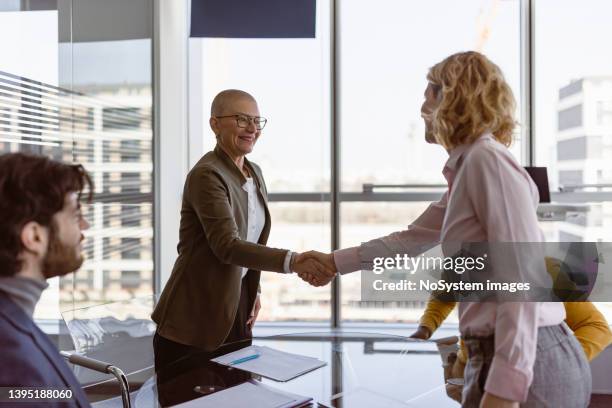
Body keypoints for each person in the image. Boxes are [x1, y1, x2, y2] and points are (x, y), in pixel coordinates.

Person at [301, 52, 592, 407]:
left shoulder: (487, 162)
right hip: (501, 350)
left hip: (527, 358)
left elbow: (522, 278)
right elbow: (410, 240)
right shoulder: (469, 168)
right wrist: (334, 262)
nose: (422, 104)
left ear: (454, 96)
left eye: (430, 92)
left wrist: (503, 390)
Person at [151, 89, 335, 370]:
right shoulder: (207, 174)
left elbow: (251, 237)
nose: (252, 129)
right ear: (215, 124)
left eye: (257, 121)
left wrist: (254, 289)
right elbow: (227, 245)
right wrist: (294, 261)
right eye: (241, 120)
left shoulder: (254, 171)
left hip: (238, 305)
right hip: (196, 314)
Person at [0, 153, 93, 407]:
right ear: (34, 236)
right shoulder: (13, 361)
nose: (85, 226)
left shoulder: (15, 320)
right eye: (75, 216)